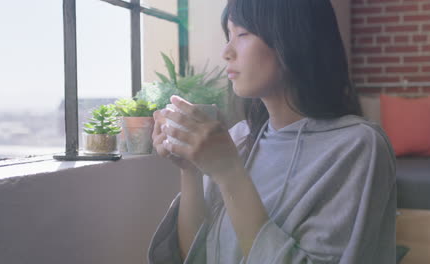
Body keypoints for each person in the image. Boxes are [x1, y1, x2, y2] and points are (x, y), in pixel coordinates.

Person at [148, 0, 396, 263]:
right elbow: (196, 257)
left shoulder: (357, 146)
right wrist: (191, 170)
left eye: (242, 34)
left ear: (293, 38)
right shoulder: (238, 138)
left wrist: (230, 173)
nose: (226, 51)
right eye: (228, 35)